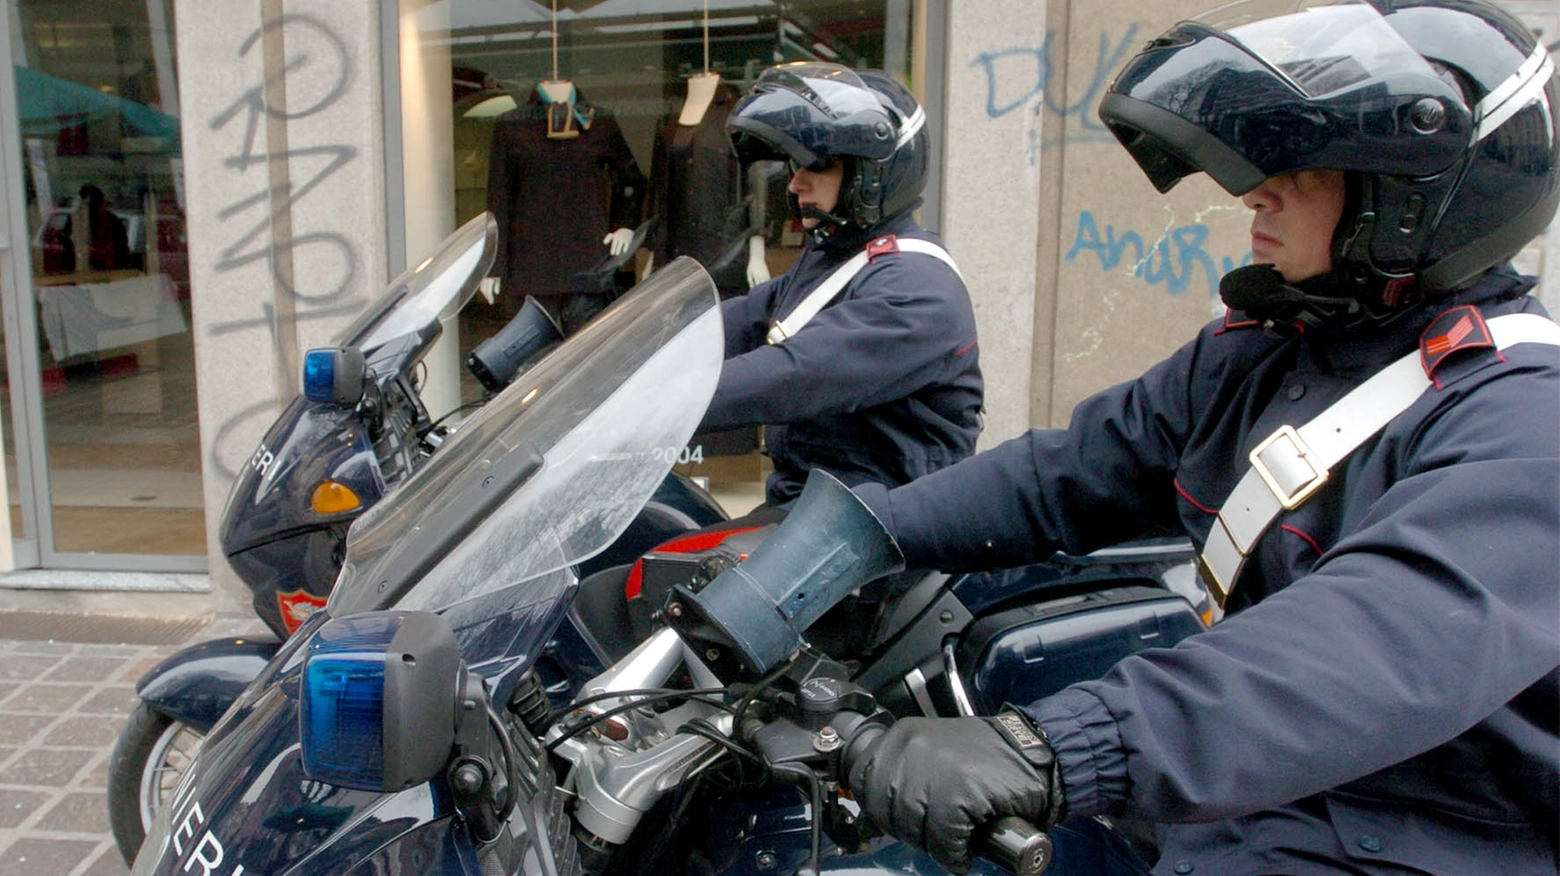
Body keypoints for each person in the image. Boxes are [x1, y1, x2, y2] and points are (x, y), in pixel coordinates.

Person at [844, 1, 1560, 874]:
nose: (1257, 190)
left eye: (1303, 166)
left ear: (1413, 198)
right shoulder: (1266, 350)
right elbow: (1058, 475)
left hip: (1405, 835)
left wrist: (1053, 749)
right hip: (1242, 805)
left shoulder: (1524, 419)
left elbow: (1372, 644)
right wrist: (839, 540)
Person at [702, 62, 984, 509]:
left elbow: (793, 373)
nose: (796, 182)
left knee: (647, 579)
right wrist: (628, 355)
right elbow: (741, 319)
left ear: (873, 175)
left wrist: (661, 406)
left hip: (883, 528)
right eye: (797, 164)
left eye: (821, 164)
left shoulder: (916, 290)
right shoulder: (836, 259)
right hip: (815, 508)